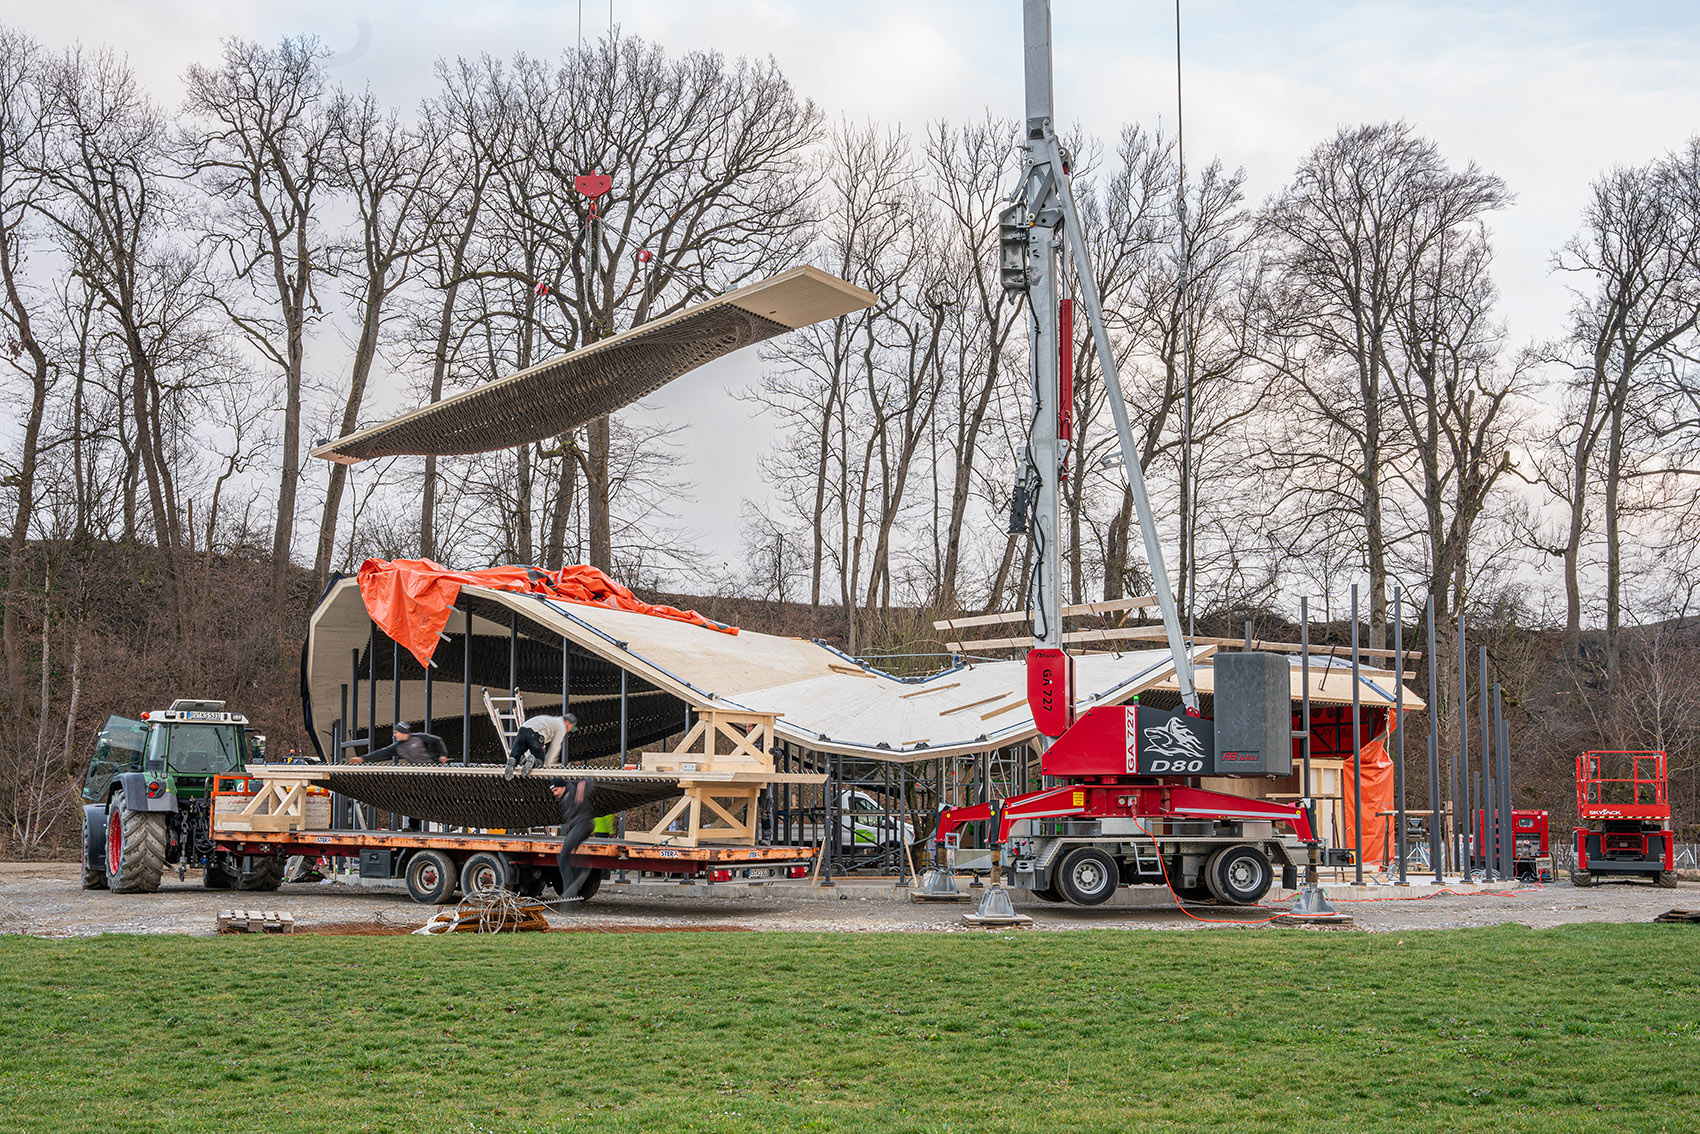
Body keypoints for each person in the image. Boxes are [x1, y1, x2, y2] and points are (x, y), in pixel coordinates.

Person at [550, 775, 600, 899]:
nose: (555, 793)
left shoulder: (572, 789)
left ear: (563, 787)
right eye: (553, 791)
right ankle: (581, 870)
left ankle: (569, 890)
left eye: (556, 790)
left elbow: (588, 780)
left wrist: (581, 789)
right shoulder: (564, 798)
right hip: (578, 826)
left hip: (582, 824)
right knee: (567, 853)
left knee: (563, 856)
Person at [504, 712, 577, 779]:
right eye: (571, 727)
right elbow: (555, 746)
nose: (570, 730)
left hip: (523, 729)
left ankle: (513, 759)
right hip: (536, 733)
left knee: (517, 753)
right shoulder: (561, 726)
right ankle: (534, 762)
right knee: (539, 761)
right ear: (567, 722)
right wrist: (546, 765)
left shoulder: (552, 721)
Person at [348, 721, 451, 765]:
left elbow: (438, 740)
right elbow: (381, 753)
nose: (394, 735)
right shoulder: (397, 747)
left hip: (434, 767)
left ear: (403, 732)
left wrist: (443, 755)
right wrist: (362, 758)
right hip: (420, 771)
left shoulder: (419, 738)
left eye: (396, 733)